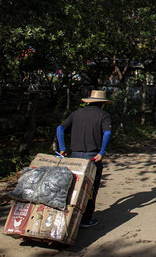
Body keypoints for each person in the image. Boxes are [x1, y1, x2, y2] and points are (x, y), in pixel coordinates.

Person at [56, 89, 112, 228]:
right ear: (102, 104)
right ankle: (86, 219)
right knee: (91, 188)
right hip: (92, 158)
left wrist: (62, 148)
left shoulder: (76, 114)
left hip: (74, 156)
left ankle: (70, 215)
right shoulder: (103, 115)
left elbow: (60, 129)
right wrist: (102, 152)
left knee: (74, 187)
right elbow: (107, 133)